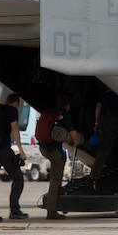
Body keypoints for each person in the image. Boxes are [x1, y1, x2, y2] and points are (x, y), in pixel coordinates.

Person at [0, 92, 28, 222]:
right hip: (4, 150)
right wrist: (20, 150)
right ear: (16, 103)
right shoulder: (12, 111)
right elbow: (15, 130)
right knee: (18, 178)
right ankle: (14, 210)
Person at [38, 92, 79, 220]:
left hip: (43, 147)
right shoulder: (64, 114)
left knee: (58, 172)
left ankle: (60, 192)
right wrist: (76, 141)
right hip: (54, 151)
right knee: (55, 180)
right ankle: (51, 210)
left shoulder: (50, 112)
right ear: (67, 105)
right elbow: (72, 131)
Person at [91, 87, 118, 188]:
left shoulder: (106, 88)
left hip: (105, 119)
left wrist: (97, 123)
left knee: (104, 149)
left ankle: (94, 176)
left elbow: (98, 105)